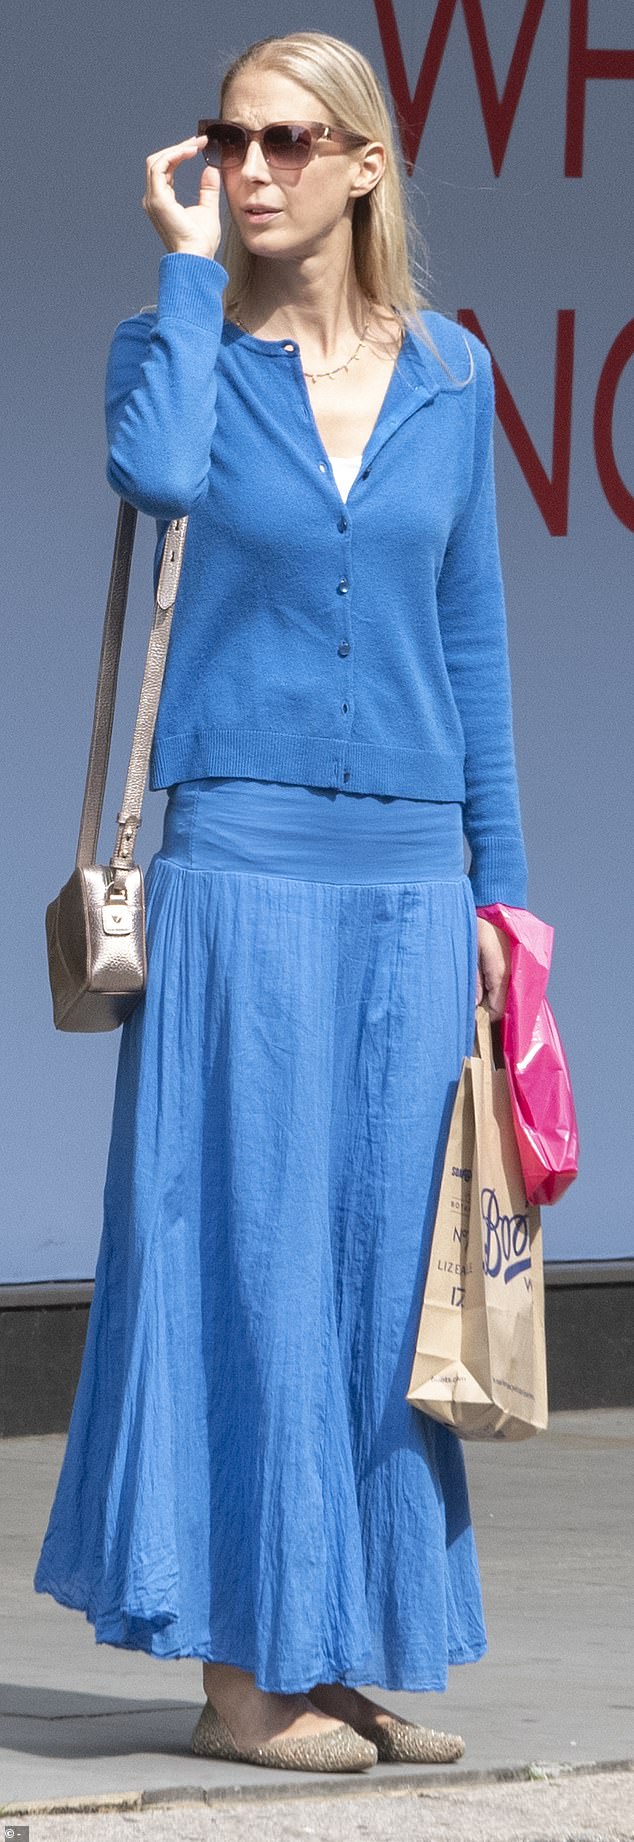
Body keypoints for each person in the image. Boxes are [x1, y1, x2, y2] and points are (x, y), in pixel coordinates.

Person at [34, 29, 526, 1776]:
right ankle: (241, 1671)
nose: (248, 169)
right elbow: (157, 480)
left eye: (285, 142)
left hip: (409, 880)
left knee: (378, 1280)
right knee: (241, 1254)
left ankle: (340, 1642)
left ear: (365, 163)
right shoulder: (176, 351)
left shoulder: (454, 375)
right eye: (227, 140)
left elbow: (467, 646)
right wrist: (181, 280)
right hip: (236, 865)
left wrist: (506, 900)